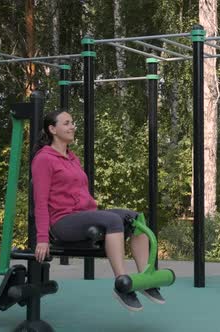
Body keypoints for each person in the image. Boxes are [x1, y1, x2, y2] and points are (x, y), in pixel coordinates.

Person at [31, 110, 165, 312]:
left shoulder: (71, 158)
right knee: (112, 220)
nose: (72, 126)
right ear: (52, 129)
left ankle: (145, 278)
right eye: (66, 123)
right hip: (62, 222)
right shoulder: (44, 159)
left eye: (73, 122)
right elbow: (40, 201)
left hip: (81, 215)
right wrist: (42, 238)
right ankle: (122, 284)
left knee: (136, 217)